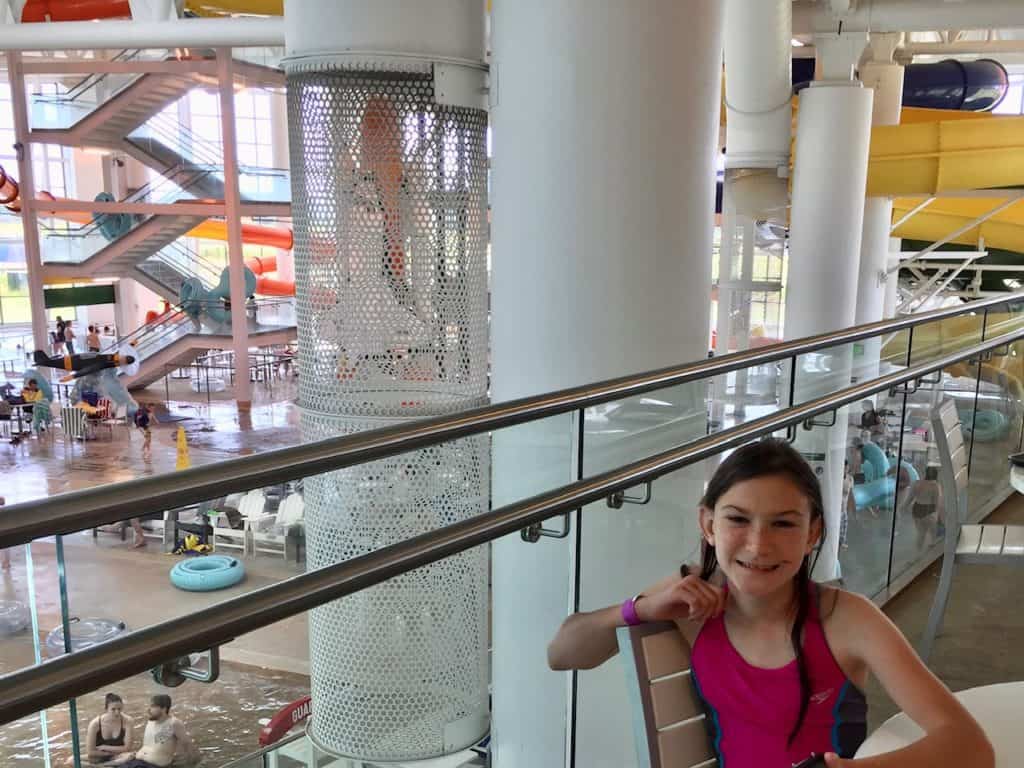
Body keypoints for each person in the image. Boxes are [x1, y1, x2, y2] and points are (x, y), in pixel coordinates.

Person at [547, 440, 993, 768]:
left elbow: (969, 746)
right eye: (738, 519)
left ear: (813, 533)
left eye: (783, 524)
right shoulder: (693, 602)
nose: (759, 546)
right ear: (707, 523)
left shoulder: (847, 620)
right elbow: (563, 653)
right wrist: (638, 610)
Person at [114, 694, 198, 768]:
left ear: (164, 709)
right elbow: (153, 744)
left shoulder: (174, 723)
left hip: (153, 765)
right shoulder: (151, 721)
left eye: (153, 706)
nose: (148, 709)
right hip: (137, 762)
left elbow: (187, 745)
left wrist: (195, 763)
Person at [899, 464, 945, 552]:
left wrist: (902, 508)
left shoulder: (917, 483)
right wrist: (939, 517)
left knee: (921, 533)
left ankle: (917, 552)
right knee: (934, 534)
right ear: (936, 475)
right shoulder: (935, 486)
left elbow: (909, 498)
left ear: (925, 473)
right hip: (928, 510)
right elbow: (937, 503)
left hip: (916, 510)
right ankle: (931, 554)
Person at [85, 693, 135, 764]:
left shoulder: (128, 721)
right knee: (71, 760)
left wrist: (104, 747)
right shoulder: (95, 724)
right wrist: (110, 755)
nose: (117, 712)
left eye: (119, 709)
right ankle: (104, 766)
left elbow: (127, 748)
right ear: (106, 709)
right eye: (113, 709)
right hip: (100, 756)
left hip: (119, 756)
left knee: (131, 756)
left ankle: (101, 766)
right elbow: (90, 752)